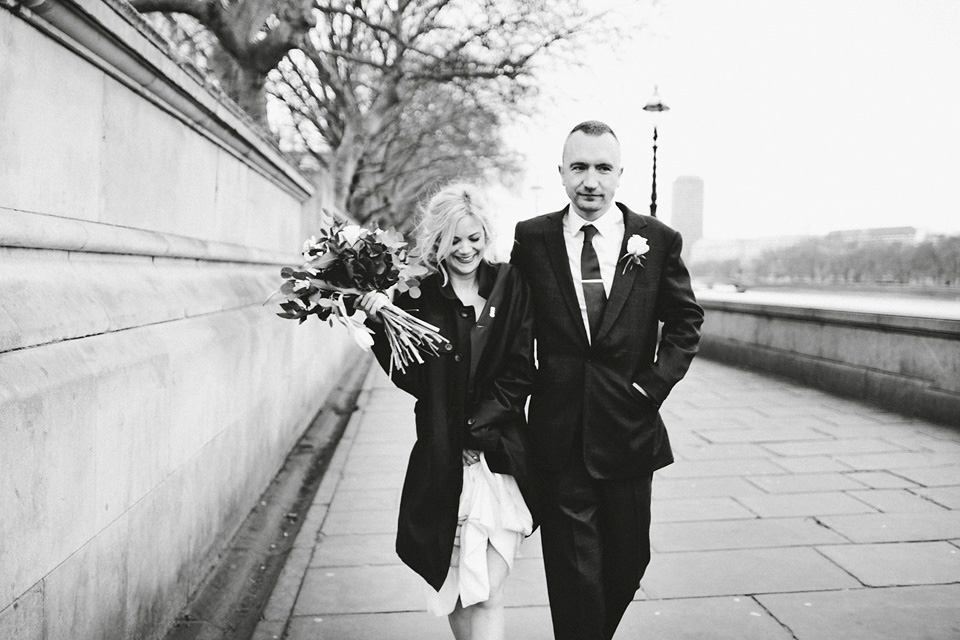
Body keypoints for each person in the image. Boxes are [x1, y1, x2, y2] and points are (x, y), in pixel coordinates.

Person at [510, 121, 703, 640]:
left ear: (620, 175)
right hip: (559, 433)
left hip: (629, 428)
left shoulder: (656, 240)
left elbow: (685, 321)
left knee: (628, 561)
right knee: (574, 573)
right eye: (579, 167)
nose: (589, 180)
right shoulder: (532, 238)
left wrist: (651, 387)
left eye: (602, 168)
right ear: (561, 173)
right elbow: (509, 325)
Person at [358, 182, 537, 640]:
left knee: (489, 591)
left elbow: (520, 372)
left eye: (474, 238)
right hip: (442, 458)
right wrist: (380, 324)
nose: (465, 249)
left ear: (486, 236)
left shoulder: (509, 285)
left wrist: (473, 435)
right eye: (454, 239)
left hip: (497, 459)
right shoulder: (418, 297)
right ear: (437, 240)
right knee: (456, 588)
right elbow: (410, 376)